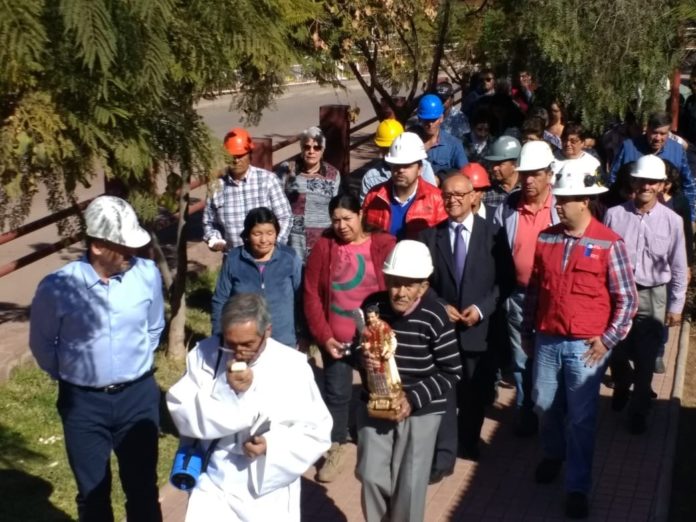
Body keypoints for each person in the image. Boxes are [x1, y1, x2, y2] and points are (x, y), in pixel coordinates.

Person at [29, 195, 165, 522]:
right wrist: (77, 377)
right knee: (92, 496)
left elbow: (154, 326)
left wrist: (132, 366)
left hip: (138, 398)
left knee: (143, 489)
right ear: (99, 247)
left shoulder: (147, 274)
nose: (132, 253)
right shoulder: (58, 288)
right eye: (124, 246)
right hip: (83, 405)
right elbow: (43, 346)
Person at [523, 161, 638, 519]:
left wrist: (608, 340)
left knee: (582, 419)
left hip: (586, 347)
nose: (559, 204)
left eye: (567, 199)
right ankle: (554, 453)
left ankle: (577, 487)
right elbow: (534, 292)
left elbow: (627, 299)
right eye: (559, 198)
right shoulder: (547, 238)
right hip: (547, 339)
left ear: (585, 202)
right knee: (542, 404)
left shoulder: (609, 244)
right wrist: (529, 330)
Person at [166, 293, 332, 521]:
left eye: (248, 344)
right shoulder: (205, 355)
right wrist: (226, 390)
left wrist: (271, 446)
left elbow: (317, 432)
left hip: (265, 494)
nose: (239, 352)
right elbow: (182, 411)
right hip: (214, 483)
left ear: (267, 332)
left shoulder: (291, 366)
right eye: (231, 343)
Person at [356, 240, 462, 522]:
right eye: (394, 283)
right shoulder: (372, 308)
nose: (400, 292)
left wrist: (412, 399)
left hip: (421, 409)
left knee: (410, 486)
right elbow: (359, 348)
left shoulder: (436, 315)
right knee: (369, 475)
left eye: (409, 285)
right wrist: (363, 360)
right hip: (375, 401)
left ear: (423, 287)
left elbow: (452, 370)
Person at [303, 194, 396, 482]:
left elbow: (397, 290)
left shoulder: (384, 245)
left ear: (360, 214)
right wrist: (323, 335)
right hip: (337, 337)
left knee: (378, 391)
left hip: (373, 338)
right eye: (335, 220)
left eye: (347, 218)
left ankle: (381, 443)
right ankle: (335, 446)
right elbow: (310, 294)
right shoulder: (324, 246)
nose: (341, 225)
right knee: (337, 394)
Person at [420, 175, 500, 480]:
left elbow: (501, 283)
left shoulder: (492, 234)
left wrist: (480, 309)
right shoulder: (431, 237)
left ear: (473, 197)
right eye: (447, 195)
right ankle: (443, 458)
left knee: (473, 392)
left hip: (477, 329)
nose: (452, 200)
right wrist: (440, 305)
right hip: (443, 330)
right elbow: (423, 283)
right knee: (444, 394)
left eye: (459, 194)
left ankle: (469, 442)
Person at [603, 155, 688, 434]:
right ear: (633, 182)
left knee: (647, 356)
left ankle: (639, 410)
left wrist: (676, 306)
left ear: (662, 185)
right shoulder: (614, 215)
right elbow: (603, 259)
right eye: (641, 180)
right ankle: (622, 381)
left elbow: (678, 266)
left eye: (652, 181)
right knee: (615, 350)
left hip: (654, 295)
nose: (646, 186)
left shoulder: (673, 221)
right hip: (618, 293)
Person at [493, 140, 560, 437]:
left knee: (548, 358)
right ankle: (525, 411)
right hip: (518, 296)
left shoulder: (560, 208)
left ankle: (550, 413)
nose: (528, 180)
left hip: (552, 297)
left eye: (536, 174)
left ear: (549, 174)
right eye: (525, 174)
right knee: (521, 359)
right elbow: (496, 248)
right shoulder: (508, 208)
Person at [211, 207, 303, 347]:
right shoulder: (234, 259)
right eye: (257, 233)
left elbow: (302, 298)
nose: (264, 239)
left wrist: (304, 334)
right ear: (248, 234)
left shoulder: (289, 258)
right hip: (244, 342)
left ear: (276, 233)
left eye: (270, 233)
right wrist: (218, 335)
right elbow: (220, 300)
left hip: (283, 340)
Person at [203, 127, 292, 251]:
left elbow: (285, 217)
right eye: (231, 156)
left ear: (250, 154)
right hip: (234, 259)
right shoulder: (216, 187)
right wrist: (214, 239)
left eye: (240, 155)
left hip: (267, 259)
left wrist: (275, 247)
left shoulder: (268, 181)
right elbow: (209, 223)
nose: (236, 160)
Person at [609, 112, 696, 220]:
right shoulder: (628, 147)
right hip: (630, 211)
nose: (658, 138)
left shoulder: (677, 150)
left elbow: (689, 184)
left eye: (663, 134)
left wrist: (691, 216)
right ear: (647, 129)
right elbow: (613, 178)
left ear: (669, 132)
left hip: (667, 214)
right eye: (654, 132)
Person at [362, 132, 448, 239]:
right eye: (396, 165)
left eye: (407, 165)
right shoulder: (373, 196)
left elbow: (442, 242)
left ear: (420, 168)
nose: (400, 170)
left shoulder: (437, 200)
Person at [275, 126, 342, 262]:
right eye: (307, 147)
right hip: (292, 241)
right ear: (301, 149)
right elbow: (275, 202)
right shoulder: (287, 170)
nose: (311, 151)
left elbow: (336, 208)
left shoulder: (333, 174)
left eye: (316, 148)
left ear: (322, 151)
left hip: (321, 240)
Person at [359, 119, 437, 202]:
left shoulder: (424, 166)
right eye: (386, 148)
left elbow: (432, 197)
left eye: (393, 147)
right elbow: (365, 210)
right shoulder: (371, 177)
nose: (390, 152)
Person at [413, 94, 468, 173]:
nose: (430, 124)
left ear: (441, 118)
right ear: (419, 119)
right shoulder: (410, 141)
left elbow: (464, 174)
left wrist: (441, 177)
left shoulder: (454, 145)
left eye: (433, 120)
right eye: (426, 120)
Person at [483, 135, 522, 209]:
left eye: (499, 164)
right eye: (493, 163)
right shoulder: (487, 193)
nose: (494, 168)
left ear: (515, 164)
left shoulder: (526, 189)